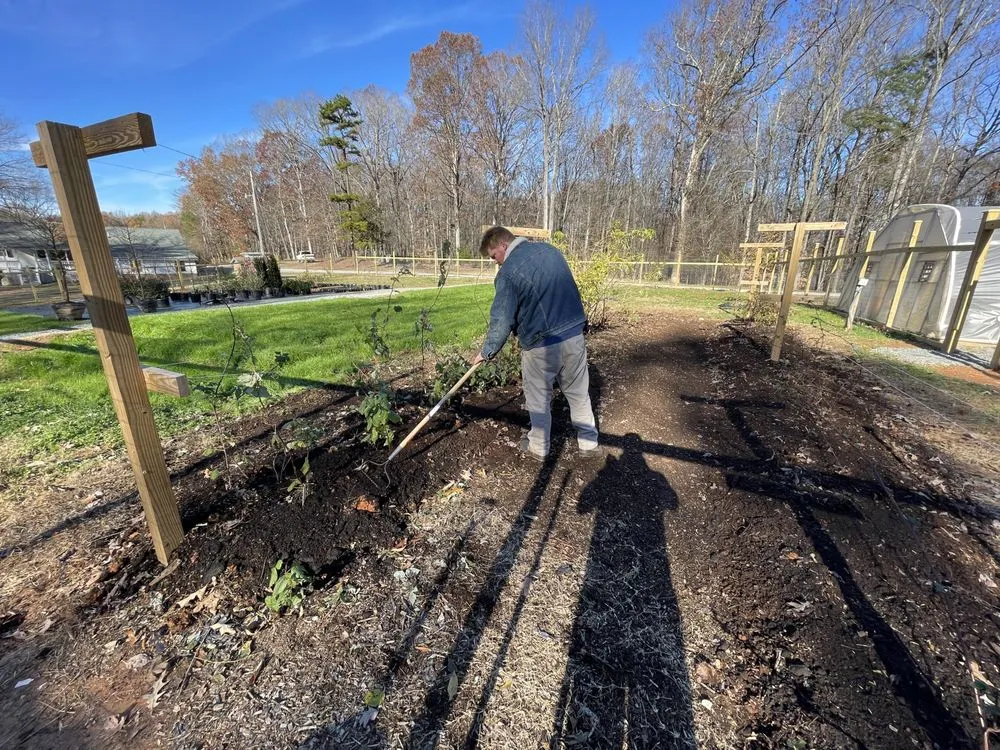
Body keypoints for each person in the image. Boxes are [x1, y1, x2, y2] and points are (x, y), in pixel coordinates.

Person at [472, 226, 600, 461]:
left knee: (539, 398)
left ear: (502, 245)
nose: (496, 263)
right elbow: (571, 290)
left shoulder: (508, 273)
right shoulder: (551, 251)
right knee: (578, 392)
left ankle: (539, 447)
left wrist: (487, 351)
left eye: (494, 257)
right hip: (573, 335)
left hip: (541, 345)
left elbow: (502, 320)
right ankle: (589, 443)